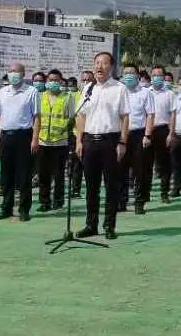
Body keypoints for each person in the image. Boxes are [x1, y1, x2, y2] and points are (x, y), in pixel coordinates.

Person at [75, 51, 130, 240]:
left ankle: (109, 225)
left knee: (111, 186)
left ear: (111, 67)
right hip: (89, 141)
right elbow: (81, 116)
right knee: (91, 187)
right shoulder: (88, 89)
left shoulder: (119, 88)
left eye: (104, 63)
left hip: (110, 141)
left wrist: (122, 142)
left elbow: (124, 117)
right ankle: (91, 225)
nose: (99, 66)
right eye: (97, 63)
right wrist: (79, 141)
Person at [0, 62, 41, 222]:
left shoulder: (31, 91)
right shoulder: (2, 92)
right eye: (10, 71)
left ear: (23, 74)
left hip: (24, 136)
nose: (12, 74)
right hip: (5, 136)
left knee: (24, 175)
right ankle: (6, 207)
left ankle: (24, 209)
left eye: (16, 71)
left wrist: (35, 139)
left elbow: (37, 117)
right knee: (6, 175)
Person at [36, 69, 75, 212]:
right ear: (47, 81)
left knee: (59, 174)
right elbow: (37, 119)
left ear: (61, 82)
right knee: (43, 174)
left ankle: (58, 200)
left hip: (60, 142)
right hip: (43, 141)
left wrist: (66, 132)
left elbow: (72, 118)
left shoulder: (67, 97)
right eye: (50, 80)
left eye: (56, 80)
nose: (53, 82)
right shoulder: (40, 97)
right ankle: (44, 201)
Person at [118, 64, 155, 214]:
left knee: (140, 171)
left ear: (137, 75)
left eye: (131, 73)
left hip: (139, 135)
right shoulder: (119, 92)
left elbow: (150, 115)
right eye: (125, 73)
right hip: (121, 135)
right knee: (120, 170)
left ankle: (139, 202)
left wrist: (147, 135)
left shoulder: (145, 93)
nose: (128, 76)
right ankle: (121, 201)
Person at [149, 65, 175, 203]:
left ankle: (164, 193)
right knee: (145, 163)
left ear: (164, 77)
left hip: (163, 130)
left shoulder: (169, 94)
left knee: (165, 164)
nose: (156, 78)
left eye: (159, 75)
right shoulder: (146, 92)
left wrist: (171, 133)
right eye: (154, 75)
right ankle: (143, 193)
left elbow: (172, 114)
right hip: (148, 131)